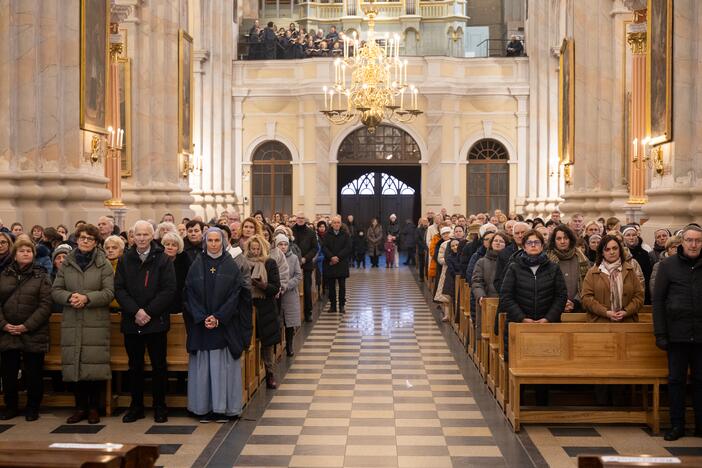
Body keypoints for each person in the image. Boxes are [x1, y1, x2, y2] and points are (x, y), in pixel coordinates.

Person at [184, 227, 250, 422]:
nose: (213, 244)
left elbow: (236, 295)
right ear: (205, 242)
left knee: (223, 369)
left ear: (223, 242)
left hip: (224, 327)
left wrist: (219, 317)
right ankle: (202, 408)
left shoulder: (230, 265)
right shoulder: (196, 264)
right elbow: (188, 294)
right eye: (210, 240)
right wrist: (203, 316)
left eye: (217, 240)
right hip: (201, 326)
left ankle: (223, 409)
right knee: (204, 369)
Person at [114, 220, 176, 423]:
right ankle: (136, 406)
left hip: (155, 321)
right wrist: (136, 312)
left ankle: (160, 406)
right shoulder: (125, 260)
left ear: (152, 236)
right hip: (132, 322)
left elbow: (168, 290)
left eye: (145, 235)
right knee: (135, 366)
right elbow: (120, 290)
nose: (141, 238)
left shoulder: (163, 259)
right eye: (137, 235)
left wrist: (148, 312)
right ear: (133, 237)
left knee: (159, 366)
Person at [52, 224, 114, 424]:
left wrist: (86, 298)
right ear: (76, 240)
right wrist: (71, 297)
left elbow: (108, 292)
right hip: (73, 319)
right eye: (82, 237)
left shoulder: (103, 264)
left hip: (95, 320)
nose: (85, 241)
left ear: (96, 242)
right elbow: (56, 290)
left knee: (93, 365)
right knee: (75, 364)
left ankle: (94, 408)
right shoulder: (67, 263)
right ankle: (79, 408)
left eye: (89, 238)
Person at [653, 224, 702, 441]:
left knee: (701, 381)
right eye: (690, 240)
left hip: (701, 335)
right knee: (676, 381)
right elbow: (658, 301)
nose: (694, 244)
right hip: (676, 335)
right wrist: (660, 334)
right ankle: (677, 425)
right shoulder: (667, 265)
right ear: (682, 242)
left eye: (698, 241)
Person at [0, 238, 52, 421]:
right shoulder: (4, 274)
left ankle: (32, 407)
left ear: (34, 255)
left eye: (29, 251)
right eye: (21, 251)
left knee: (33, 373)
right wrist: (4, 324)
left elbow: (45, 305)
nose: (25, 253)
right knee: (9, 373)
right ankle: (11, 406)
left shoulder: (42, 276)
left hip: (33, 331)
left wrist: (26, 326)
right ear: (15, 254)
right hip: (7, 331)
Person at [245, 235, 281, 389]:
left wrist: (262, 285)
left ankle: (270, 373)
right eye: (252, 248)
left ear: (262, 248)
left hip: (265, 307)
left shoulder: (269, 263)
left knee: (267, 344)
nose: (255, 251)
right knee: (250, 341)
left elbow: (275, 288)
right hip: (248, 306)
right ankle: (250, 375)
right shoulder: (243, 262)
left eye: (257, 248)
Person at [581, 234, 644, 323]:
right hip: (600, 323)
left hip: (627, 322)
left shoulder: (630, 270)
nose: (612, 252)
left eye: (615, 248)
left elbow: (639, 296)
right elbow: (586, 298)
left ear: (620, 250)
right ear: (602, 252)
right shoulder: (593, 272)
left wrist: (626, 311)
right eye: (607, 249)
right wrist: (606, 312)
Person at [546, 225, 590, 313]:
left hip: (579, 308)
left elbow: (587, 283)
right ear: (554, 241)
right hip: (553, 309)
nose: (562, 241)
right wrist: (560, 303)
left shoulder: (582, 259)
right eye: (559, 239)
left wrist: (575, 302)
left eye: (565, 238)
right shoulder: (547, 260)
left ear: (570, 240)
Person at [275, 234, 301, 357]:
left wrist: (286, 285)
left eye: (285, 244)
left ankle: (290, 344)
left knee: (289, 322)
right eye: (280, 244)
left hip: (289, 293)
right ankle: (279, 346)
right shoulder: (272, 257)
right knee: (279, 321)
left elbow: (297, 275)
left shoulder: (294, 258)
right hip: (276, 294)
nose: (283, 247)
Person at [322, 216, 351, 313]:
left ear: (341, 223)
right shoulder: (326, 234)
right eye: (334, 223)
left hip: (341, 263)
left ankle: (342, 305)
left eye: (338, 222)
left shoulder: (345, 234)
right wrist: (331, 257)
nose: (336, 224)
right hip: (330, 263)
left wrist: (338, 257)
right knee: (331, 286)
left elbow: (348, 248)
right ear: (331, 224)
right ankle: (333, 306)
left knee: (342, 286)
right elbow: (324, 247)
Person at [292, 215, 316, 323]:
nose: (300, 219)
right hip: (292, 264)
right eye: (299, 217)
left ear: (305, 219)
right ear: (296, 219)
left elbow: (315, 248)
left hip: (306, 265)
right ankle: (295, 314)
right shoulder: (291, 231)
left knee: (306, 289)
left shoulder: (310, 232)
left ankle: (308, 313)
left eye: (302, 217)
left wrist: (306, 258)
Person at [622, 225, 653, 304]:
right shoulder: (621, 254)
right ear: (623, 238)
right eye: (628, 235)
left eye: (634, 235)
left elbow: (647, 275)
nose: (631, 237)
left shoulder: (644, 254)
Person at [161, 231, 189, 313]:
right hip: (161, 306)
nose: (170, 247)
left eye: (174, 245)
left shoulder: (185, 262)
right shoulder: (157, 261)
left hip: (180, 305)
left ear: (178, 248)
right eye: (167, 244)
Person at [103, 235, 125, 312]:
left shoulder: (126, 266)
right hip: (103, 308)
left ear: (121, 250)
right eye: (107, 248)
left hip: (122, 308)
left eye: (114, 248)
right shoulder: (100, 266)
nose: (110, 250)